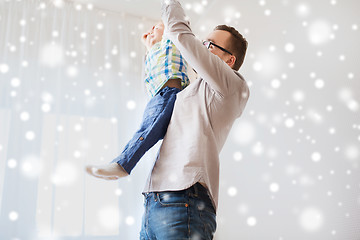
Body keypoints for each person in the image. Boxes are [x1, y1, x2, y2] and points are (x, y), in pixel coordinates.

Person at [87, 0, 250, 239]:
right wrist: (153, 49)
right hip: (154, 200)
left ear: (229, 60)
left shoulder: (233, 86)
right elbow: (156, 103)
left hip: (185, 199)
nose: (203, 48)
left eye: (210, 45)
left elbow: (180, 34)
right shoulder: (192, 92)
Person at [86, 21, 189, 179]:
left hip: (169, 94)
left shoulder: (171, 41)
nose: (152, 29)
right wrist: (149, 45)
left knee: (145, 132)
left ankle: (123, 164)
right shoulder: (154, 52)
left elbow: (176, 22)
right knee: (148, 132)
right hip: (157, 98)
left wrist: (167, 25)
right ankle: (123, 164)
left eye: (157, 26)